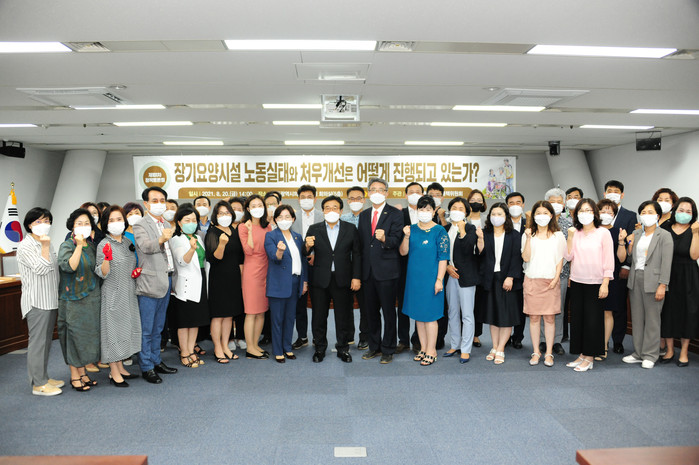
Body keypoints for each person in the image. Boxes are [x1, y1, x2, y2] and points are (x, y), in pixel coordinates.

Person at [306, 196, 361, 363]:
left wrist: (356, 277)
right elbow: (305, 253)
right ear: (323, 211)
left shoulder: (350, 228)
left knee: (343, 316)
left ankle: (343, 348)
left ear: (341, 211)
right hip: (320, 279)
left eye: (335, 207)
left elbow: (357, 254)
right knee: (318, 316)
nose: (331, 210)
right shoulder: (314, 228)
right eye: (327, 208)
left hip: (343, 278)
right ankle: (320, 348)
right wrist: (307, 245)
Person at [618, 201, 673, 369]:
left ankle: (650, 354)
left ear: (657, 215)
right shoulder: (636, 233)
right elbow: (630, 259)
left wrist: (662, 285)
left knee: (652, 320)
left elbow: (666, 263)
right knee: (637, 318)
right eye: (643, 212)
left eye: (650, 212)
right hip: (636, 278)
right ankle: (638, 353)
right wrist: (627, 244)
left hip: (654, 281)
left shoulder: (664, 235)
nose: (646, 215)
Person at [132, 187, 178, 384]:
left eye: (162, 200)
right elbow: (145, 247)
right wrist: (161, 239)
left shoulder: (166, 223)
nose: (159, 204)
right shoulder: (140, 224)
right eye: (155, 200)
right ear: (146, 204)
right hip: (149, 282)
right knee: (147, 328)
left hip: (166, 279)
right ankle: (146, 366)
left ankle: (156, 360)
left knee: (158, 326)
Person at [17, 208, 63, 396]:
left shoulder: (46, 242)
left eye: (46, 221)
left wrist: (45, 245)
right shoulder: (25, 246)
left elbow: (54, 270)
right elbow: (41, 269)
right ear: (29, 225)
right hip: (37, 301)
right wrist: (45, 247)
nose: (43, 225)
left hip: (50, 299)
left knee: (46, 342)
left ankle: (43, 376)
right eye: (38, 221)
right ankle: (38, 384)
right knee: (38, 343)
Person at [564, 199, 614, 372]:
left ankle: (590, 357)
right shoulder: (575, 233)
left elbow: (609, 260)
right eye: (581, 210)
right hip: (577, 281)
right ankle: (581, 354)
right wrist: (570, 237)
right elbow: (568, 256)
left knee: (592, 321)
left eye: (588, 210)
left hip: (596, 283)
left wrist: (605, 283)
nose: (584, 214)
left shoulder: (603, 233)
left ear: (595, 213)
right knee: (578, 320)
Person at [358, 177, 404, 364]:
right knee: (371, 313)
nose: (376, 192)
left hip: (387, 271)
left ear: (387, 193)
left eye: (380, 189)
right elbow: (362, 245)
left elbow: (397, 240)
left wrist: (385, 239)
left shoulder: (395, 213)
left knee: (388, 312)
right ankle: (374, 346)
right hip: (367, 272)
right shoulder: (363, 215)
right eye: (373, 189)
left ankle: (388, 348)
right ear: (368, 193)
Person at [94, 205, 141, 387]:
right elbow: (102, 273)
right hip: (113, 293)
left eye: (119, 219)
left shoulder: (127, 242)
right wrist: (106, 259)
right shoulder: (104, 245)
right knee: (113, 333)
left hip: (129, 292)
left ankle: (120, 367)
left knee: (125, 330)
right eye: (111, 220)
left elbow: (130, 264)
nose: (116, 223)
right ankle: (114, 371)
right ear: (105, 224)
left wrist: (135, 272)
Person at [400, 196, 449, 366]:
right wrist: (406, 237)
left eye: (428, 209)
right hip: (414, 280)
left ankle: (431, 350)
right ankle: (423, 348)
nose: (424, 212)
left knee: (430, 316)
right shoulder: (411, 229)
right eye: (421, 209)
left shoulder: (440, 231)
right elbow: (403, 252)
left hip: (431, 279)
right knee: (418, 316)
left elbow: (443, 258)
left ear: (434, 211)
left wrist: (439, 280)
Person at [57, 208, 101, 392]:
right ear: (72, 227)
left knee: (86, 338)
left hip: (91, 300)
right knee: (73, 338)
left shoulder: (91, 246)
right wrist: (78, 246)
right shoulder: (67, 246)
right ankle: (74, 375)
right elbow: (70, 267)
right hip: (72, 301)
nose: (83, 226)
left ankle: (83, 373)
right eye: (79, 223)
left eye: (87, 223)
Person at [476, 203, 522, 365]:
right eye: (493, 214)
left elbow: (516, 258)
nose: (496, 217)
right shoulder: (485, 233)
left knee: (506, 316)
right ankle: (494, 346)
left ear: (506, 216)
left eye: (500, 214)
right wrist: (480, 239)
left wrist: (511, 277)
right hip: (489, 279)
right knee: (493, 315)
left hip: (507, 279)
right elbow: (480, 254)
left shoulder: (514, 235)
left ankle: (501, 348)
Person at [521, 201, 566, 367]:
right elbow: (525, 258)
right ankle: (536, 351)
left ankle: (548, 353)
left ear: (551, 215)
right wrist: (527, 238)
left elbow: (560, 259)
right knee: (533, 318)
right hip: (532, 280)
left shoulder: (558, 235)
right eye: (538, 213)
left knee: (549, 318)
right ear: (533, 216)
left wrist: (556, 278)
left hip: (550, 281)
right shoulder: (528, 235)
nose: (542, 216)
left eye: (545, 213)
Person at [264, 205, 308, 363]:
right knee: (277, 319)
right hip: (278, 283)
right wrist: (280, 251)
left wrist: (304, 281)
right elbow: (274, 257)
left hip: (295, 282)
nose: (284, 220)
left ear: (293, 219)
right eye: (280, 217)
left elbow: (303, 260)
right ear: (275, 219)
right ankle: (278, 350)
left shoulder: (297, 237)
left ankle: (287, 347)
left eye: (287, 217)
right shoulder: (271, 236)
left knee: (290, 318)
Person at [659, 197, 699, 367]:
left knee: (687, 313)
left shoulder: (695, 229)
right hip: (667, 274)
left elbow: (694, 255)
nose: (684, 214)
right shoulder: (665, 228)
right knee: (667, 312)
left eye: (688, 211)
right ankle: (669, 350)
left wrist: (696, 234)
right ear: (675, 211)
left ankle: (684, 352)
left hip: (689, 276)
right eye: (681, 210)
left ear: (693, 214)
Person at [170, 204, 211, 367]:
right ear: (179, 223)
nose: (191, 223)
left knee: (196, 320)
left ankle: (191, 350)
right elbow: (182, 261)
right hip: (186, 285)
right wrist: (192, 249)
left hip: (200, 281)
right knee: (185, 322)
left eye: (194, 220)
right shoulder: (177, 239)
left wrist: (195, 246)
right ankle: (184, 352)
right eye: (187, 220)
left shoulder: (198, 238)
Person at [205, 201, 244, 362]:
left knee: (229, 315)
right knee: (218, 315)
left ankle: (225, 346)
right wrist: (221, 244)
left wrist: (241, 278)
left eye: (227, 213)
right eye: (221, 213)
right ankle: (217, 348)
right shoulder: (212, 232)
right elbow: (214, 258)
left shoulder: (234, 231)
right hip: (218, 278)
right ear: (215, 215)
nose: (225, 216)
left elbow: (240, 257)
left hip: (233, 278)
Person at [443, 197, 479, 364]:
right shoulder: (444, 229)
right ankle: (454, 344)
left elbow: (467, 249)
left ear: (466, 212)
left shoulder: (471, 229)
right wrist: (447, 267)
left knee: (467, 314)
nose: (457, 211)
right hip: (450, 275)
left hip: (467, 277)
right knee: (453, 312)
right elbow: (440, 252)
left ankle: (465, 349)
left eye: (461, 208)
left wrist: (462, 231)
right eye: (454, 208)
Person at [239, 194, 272, 359]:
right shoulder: (243, 227)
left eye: (260, 205)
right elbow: (249, 250)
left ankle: (255, 344)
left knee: (262, 311)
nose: (257, 208)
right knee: (251, 312)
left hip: (266, 271)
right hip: (251, 272)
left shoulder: (268, 226)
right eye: (253, 205)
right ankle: (250, 348)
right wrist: (251, 230)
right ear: (248, 209)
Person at [290, 185, 324, 350]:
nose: (306, 200)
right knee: (299, 303)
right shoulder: (292, 217)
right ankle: (302, 336)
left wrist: (316, 254)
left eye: (309, 197)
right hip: (298, 265)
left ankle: (318, 337)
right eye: (302, 197)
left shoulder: (323, 216)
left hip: (318, 264)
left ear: (315, 199)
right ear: (298, 199)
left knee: (318, 303)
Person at [539, 187, 570, 356]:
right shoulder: (540, 223)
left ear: (564, 204)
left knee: (558, 309)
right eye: (552, 202)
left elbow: (571, 251)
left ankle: (557, 341)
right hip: (541, 273)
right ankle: (542, 340)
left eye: (559, 202)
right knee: (541, 308)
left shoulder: (569, 225)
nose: (556, 204)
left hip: (562, 274)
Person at [594, 199, 627, 361]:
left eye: (610, 212)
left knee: (607, 311)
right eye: (603, 211)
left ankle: (604, 346)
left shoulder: (617, 232)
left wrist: (621, 242)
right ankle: (591, 343)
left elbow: (621, 258)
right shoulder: (592, 231)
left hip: (611, 277)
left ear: (614, 215)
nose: (606, 214)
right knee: (593, 312)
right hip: (591, 276)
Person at [397, 182, 425, 354]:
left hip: (423, 265)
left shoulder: (428, 214)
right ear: (406, 195)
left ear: (423, 195)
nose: (414, 194)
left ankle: (418, 340)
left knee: (420, 302)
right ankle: (403, 340)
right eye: (411, 192)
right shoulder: (398, 214)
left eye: (418, 192)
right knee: (402, 303)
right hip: (402, 264)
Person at [340, 186, 368, 349]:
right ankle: (348, 336)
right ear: (347, 200)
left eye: (359, 198)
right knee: (345, 304)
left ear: (364, 200)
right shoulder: (342, 219)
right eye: (352, 198)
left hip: (365, 267)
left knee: (365, 304)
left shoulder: (369, 217)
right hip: (345, 266)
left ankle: (365, 336)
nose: (355, 201)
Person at [505, 191, 527, 349]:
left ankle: (518, 336)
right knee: (506, 305)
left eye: (518, 202)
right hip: (506, 272)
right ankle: (505, 336)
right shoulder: (501, 224)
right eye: (511, 203)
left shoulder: (530, 223)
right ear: (507, 206)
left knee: (521, 306)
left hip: (525, 271)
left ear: (523, 205)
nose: (515, 206)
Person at [226, 196, 247, 351]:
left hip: (245, 271)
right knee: (229, 307)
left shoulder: (244, 228)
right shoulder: (223, 228)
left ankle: (241, 336)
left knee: (242, 305)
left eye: (240, 209)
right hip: (227, 273)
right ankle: (229, 338)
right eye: (233, 209)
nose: (237, 212)